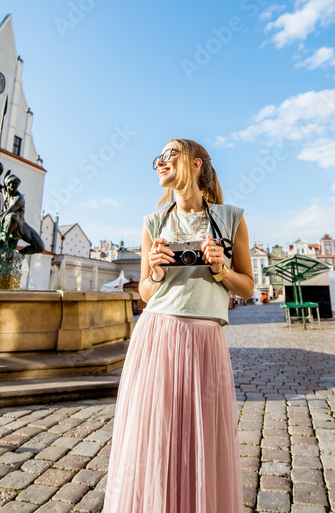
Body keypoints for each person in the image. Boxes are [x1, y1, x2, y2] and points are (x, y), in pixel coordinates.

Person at [103, 139, 254, 513]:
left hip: (206, 339)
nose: (160, 161)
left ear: (196, 163)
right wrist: (153, 270)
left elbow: (248, 287)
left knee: (200, 441)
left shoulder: (231, 218)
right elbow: (145, 293)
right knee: (154, 437)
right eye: (158, 157)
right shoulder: (152, 222)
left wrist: (222, 270)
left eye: (170, 153)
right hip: (158, 335)